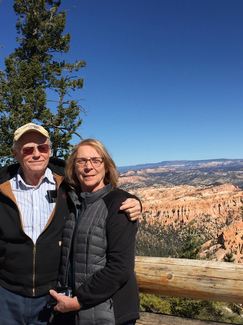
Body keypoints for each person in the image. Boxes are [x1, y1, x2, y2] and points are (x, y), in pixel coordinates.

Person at [0, 123, 141, 325]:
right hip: (8, 293)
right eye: (28, 149)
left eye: (42, 147)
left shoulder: (66, 186)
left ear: (49, 150)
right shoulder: (4, 187)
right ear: (16, 153)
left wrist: (136, 203)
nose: (36, 154)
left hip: (54, 298)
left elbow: (107, 196)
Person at [50, 139, 140, 325]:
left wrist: (77, 301)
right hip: (70, 312)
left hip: (108, 314)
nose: (88, 167)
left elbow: (120, 268)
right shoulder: (71, 202)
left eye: (95, 160)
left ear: (106, 167)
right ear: (73, 167)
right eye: (81, 161)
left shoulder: (118, 204)